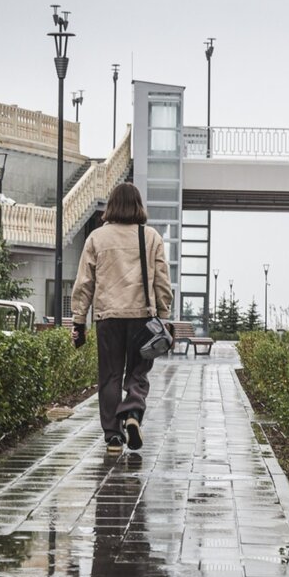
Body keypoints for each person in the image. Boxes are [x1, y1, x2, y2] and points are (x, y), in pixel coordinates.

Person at [70, 183, 173, 455]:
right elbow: (162, 282)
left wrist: (79, 320)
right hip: (142, 319)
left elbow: (84, 283)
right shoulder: (151, 237)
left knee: (110, 376)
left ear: (111, 205)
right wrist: (164, 314)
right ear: (138, 205)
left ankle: (113, 436)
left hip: (108, 318)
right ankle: (132, 415)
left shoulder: (96, 238)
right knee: (138, 372)